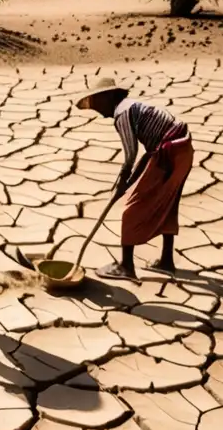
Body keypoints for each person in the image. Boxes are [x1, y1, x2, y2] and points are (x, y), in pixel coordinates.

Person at [76, 77, 194, 281]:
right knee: (168, 203)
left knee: (132, 207)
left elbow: (131, 154)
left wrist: (124, 181)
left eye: (97, 102)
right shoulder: (133, 106)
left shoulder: (122, 113)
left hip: (169, 155)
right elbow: (148, 153)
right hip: (183, 150)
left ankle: (126, 266)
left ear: (109, 96)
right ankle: (167, 262)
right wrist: (127, 180)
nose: (96, 109)